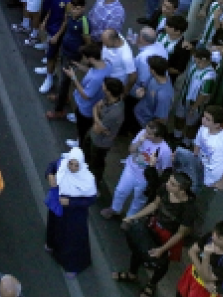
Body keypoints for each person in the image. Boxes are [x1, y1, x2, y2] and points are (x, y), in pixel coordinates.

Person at [116, 171, 198, 297]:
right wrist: (134, 217)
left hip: (169, 236)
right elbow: (155, 204)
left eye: (172, 184)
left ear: (182, 190)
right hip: (154, 226)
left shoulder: (189, 209)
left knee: (162, 262)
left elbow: (180, 234)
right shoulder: (164, 189)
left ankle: (151, 285)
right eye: (169, 181)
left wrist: (162, 249)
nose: (167, 184)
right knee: (138, 248)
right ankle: (132, 274)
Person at [173, 106, 223, 224]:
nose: (203, 120)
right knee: (189, 195)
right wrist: (192, 159)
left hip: (211, 180)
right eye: (204, 117)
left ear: (217, 124)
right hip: (198, 170)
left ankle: (196, 231)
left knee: (201, 206)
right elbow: (197, 144)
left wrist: (222, 183)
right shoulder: (203, 129)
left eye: (208, 119)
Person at [46, 147, 98, 278]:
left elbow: (91, 199)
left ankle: (74, 265)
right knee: (55, 228)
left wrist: (71, 203)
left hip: (75, 214)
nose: (73, 167)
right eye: (71, 163)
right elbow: (51, 166)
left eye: (76, 165)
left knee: (73, 239)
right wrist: (50, 176)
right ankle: (52, 246)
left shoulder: (87, 179)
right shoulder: (62, 164)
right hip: (59, 206)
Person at [105, 119, 173, 220]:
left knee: (139, 199)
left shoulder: (165, 150)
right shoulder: (142, 133)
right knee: (120, 190)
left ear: (158, 136)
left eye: (149, 134)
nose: (146, 134)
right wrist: (139, 142)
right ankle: (115, 209)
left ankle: (130, 218)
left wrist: (153, 174)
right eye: (146, 131)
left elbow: (164, 170)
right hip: (131, 169)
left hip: (145, 177)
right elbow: (131, 149)